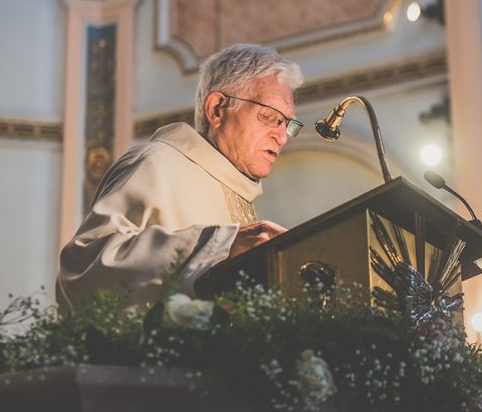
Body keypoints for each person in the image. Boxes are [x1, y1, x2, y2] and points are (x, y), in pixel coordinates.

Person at [56, 44, 304, 311]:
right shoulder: (159, 164)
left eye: (288, 124)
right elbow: (83, 268)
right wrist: (218, 244)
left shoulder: (239, 191)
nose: (281, 137)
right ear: (218, 108)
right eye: (269, 117)